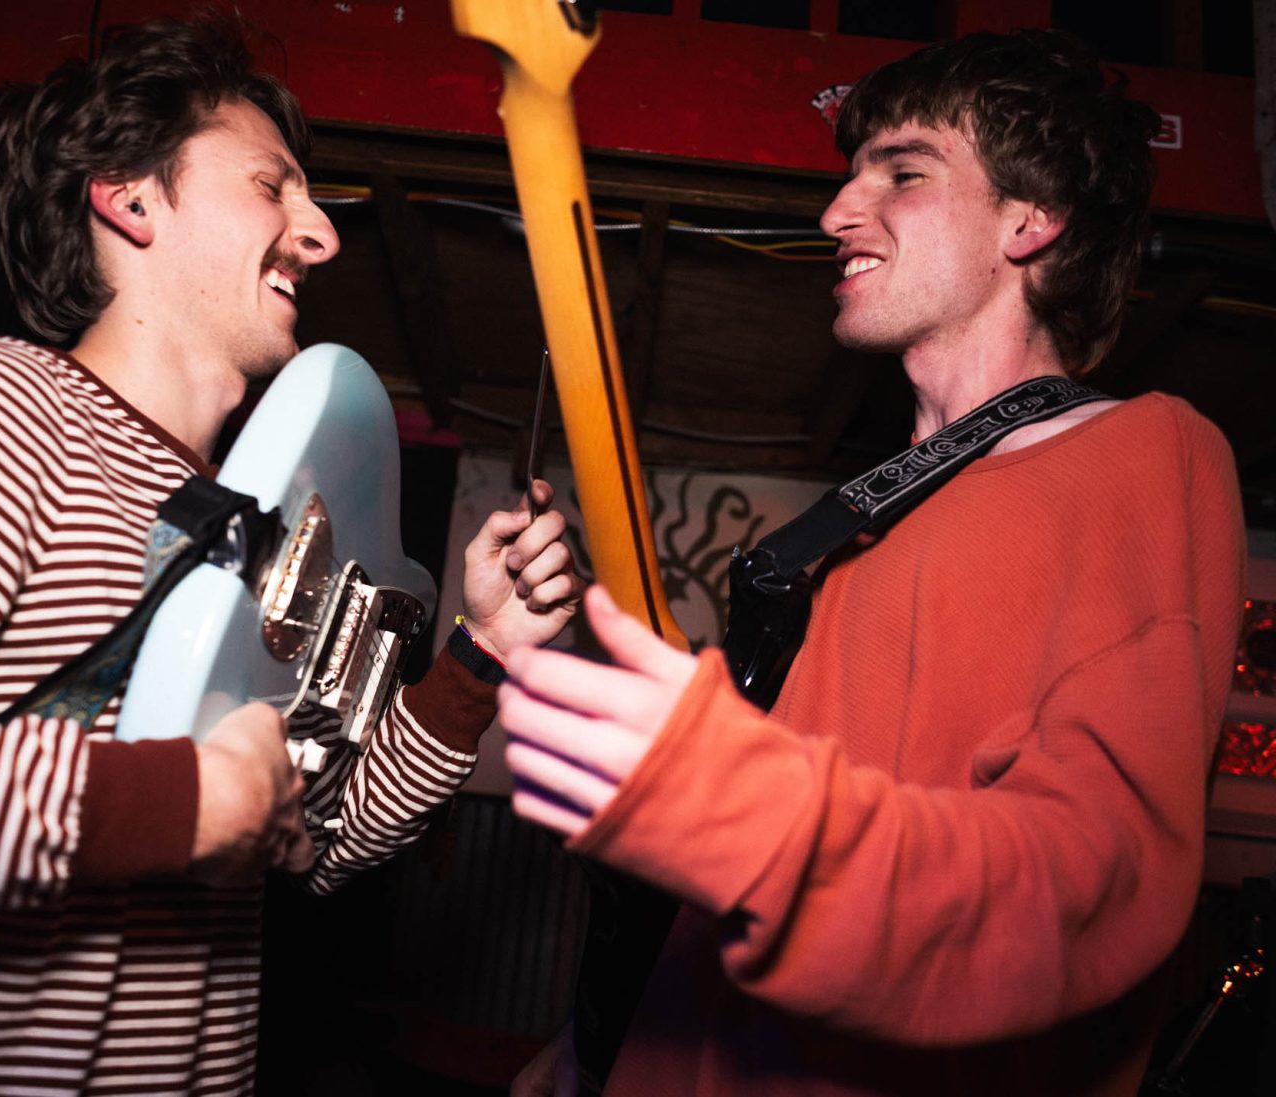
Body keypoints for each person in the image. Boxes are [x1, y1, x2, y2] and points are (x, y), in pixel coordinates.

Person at [0, 11, 580, 1093]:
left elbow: (320, 834)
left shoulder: (262, 517)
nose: (319, 233)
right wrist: (182, 797)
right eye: (272, 185)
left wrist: (480, 661)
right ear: (130, 193)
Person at [500, 28, 1245, 1097]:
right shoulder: (859, 528)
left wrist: (746, 811)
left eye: (902, 172)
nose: (837, 212)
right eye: (849, 177)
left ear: (1032, 220)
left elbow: (1098, 880)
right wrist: (605, 1040)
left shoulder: (1143, 452)